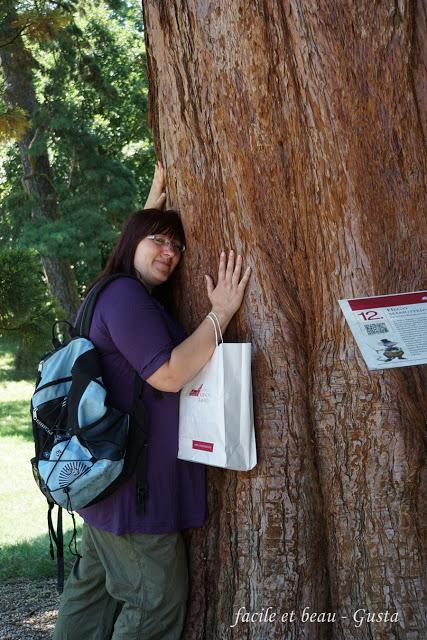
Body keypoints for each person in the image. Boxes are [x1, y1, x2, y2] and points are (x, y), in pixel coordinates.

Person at [53, 161, 251, 640]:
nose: (171, 253)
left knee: (90, 598)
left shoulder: (111, 289)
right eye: (158, 242)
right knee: (155, 604)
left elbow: (140, 246)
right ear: (131, 244)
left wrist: (154, 202)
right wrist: (220, 313)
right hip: (132, 494)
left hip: (109, 486)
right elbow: (167, 373)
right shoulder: (124, 296)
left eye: (176, 246)